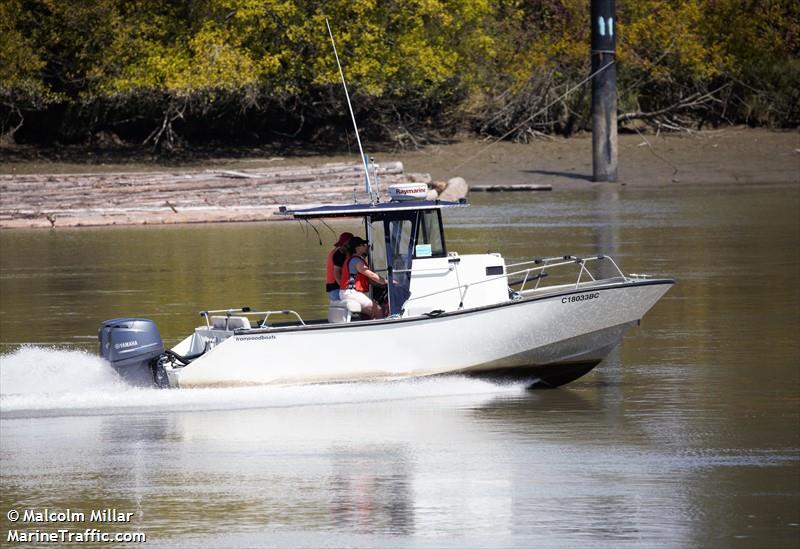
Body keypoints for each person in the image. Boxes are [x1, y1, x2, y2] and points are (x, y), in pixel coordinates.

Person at [339, 236, 387, 319]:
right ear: (358, 248)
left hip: (345, 293)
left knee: (371, 312)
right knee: (378, 309)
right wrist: (386, 281)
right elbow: (371, 275)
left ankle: (370, 327)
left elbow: (368, 280)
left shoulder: (351, 259)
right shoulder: (357, 261)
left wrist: (381, 285)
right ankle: (383, 330)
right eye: (364, 245)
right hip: (351, 294)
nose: (366, 246)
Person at [326, 232, 353, 301]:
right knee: (342, 310)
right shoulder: (340, 254)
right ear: (346, 243)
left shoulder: (336, 251)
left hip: (333, 288)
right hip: (336, 289)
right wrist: (345, 289)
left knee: (340, 310)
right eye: (351, 242)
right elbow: (337, 274)